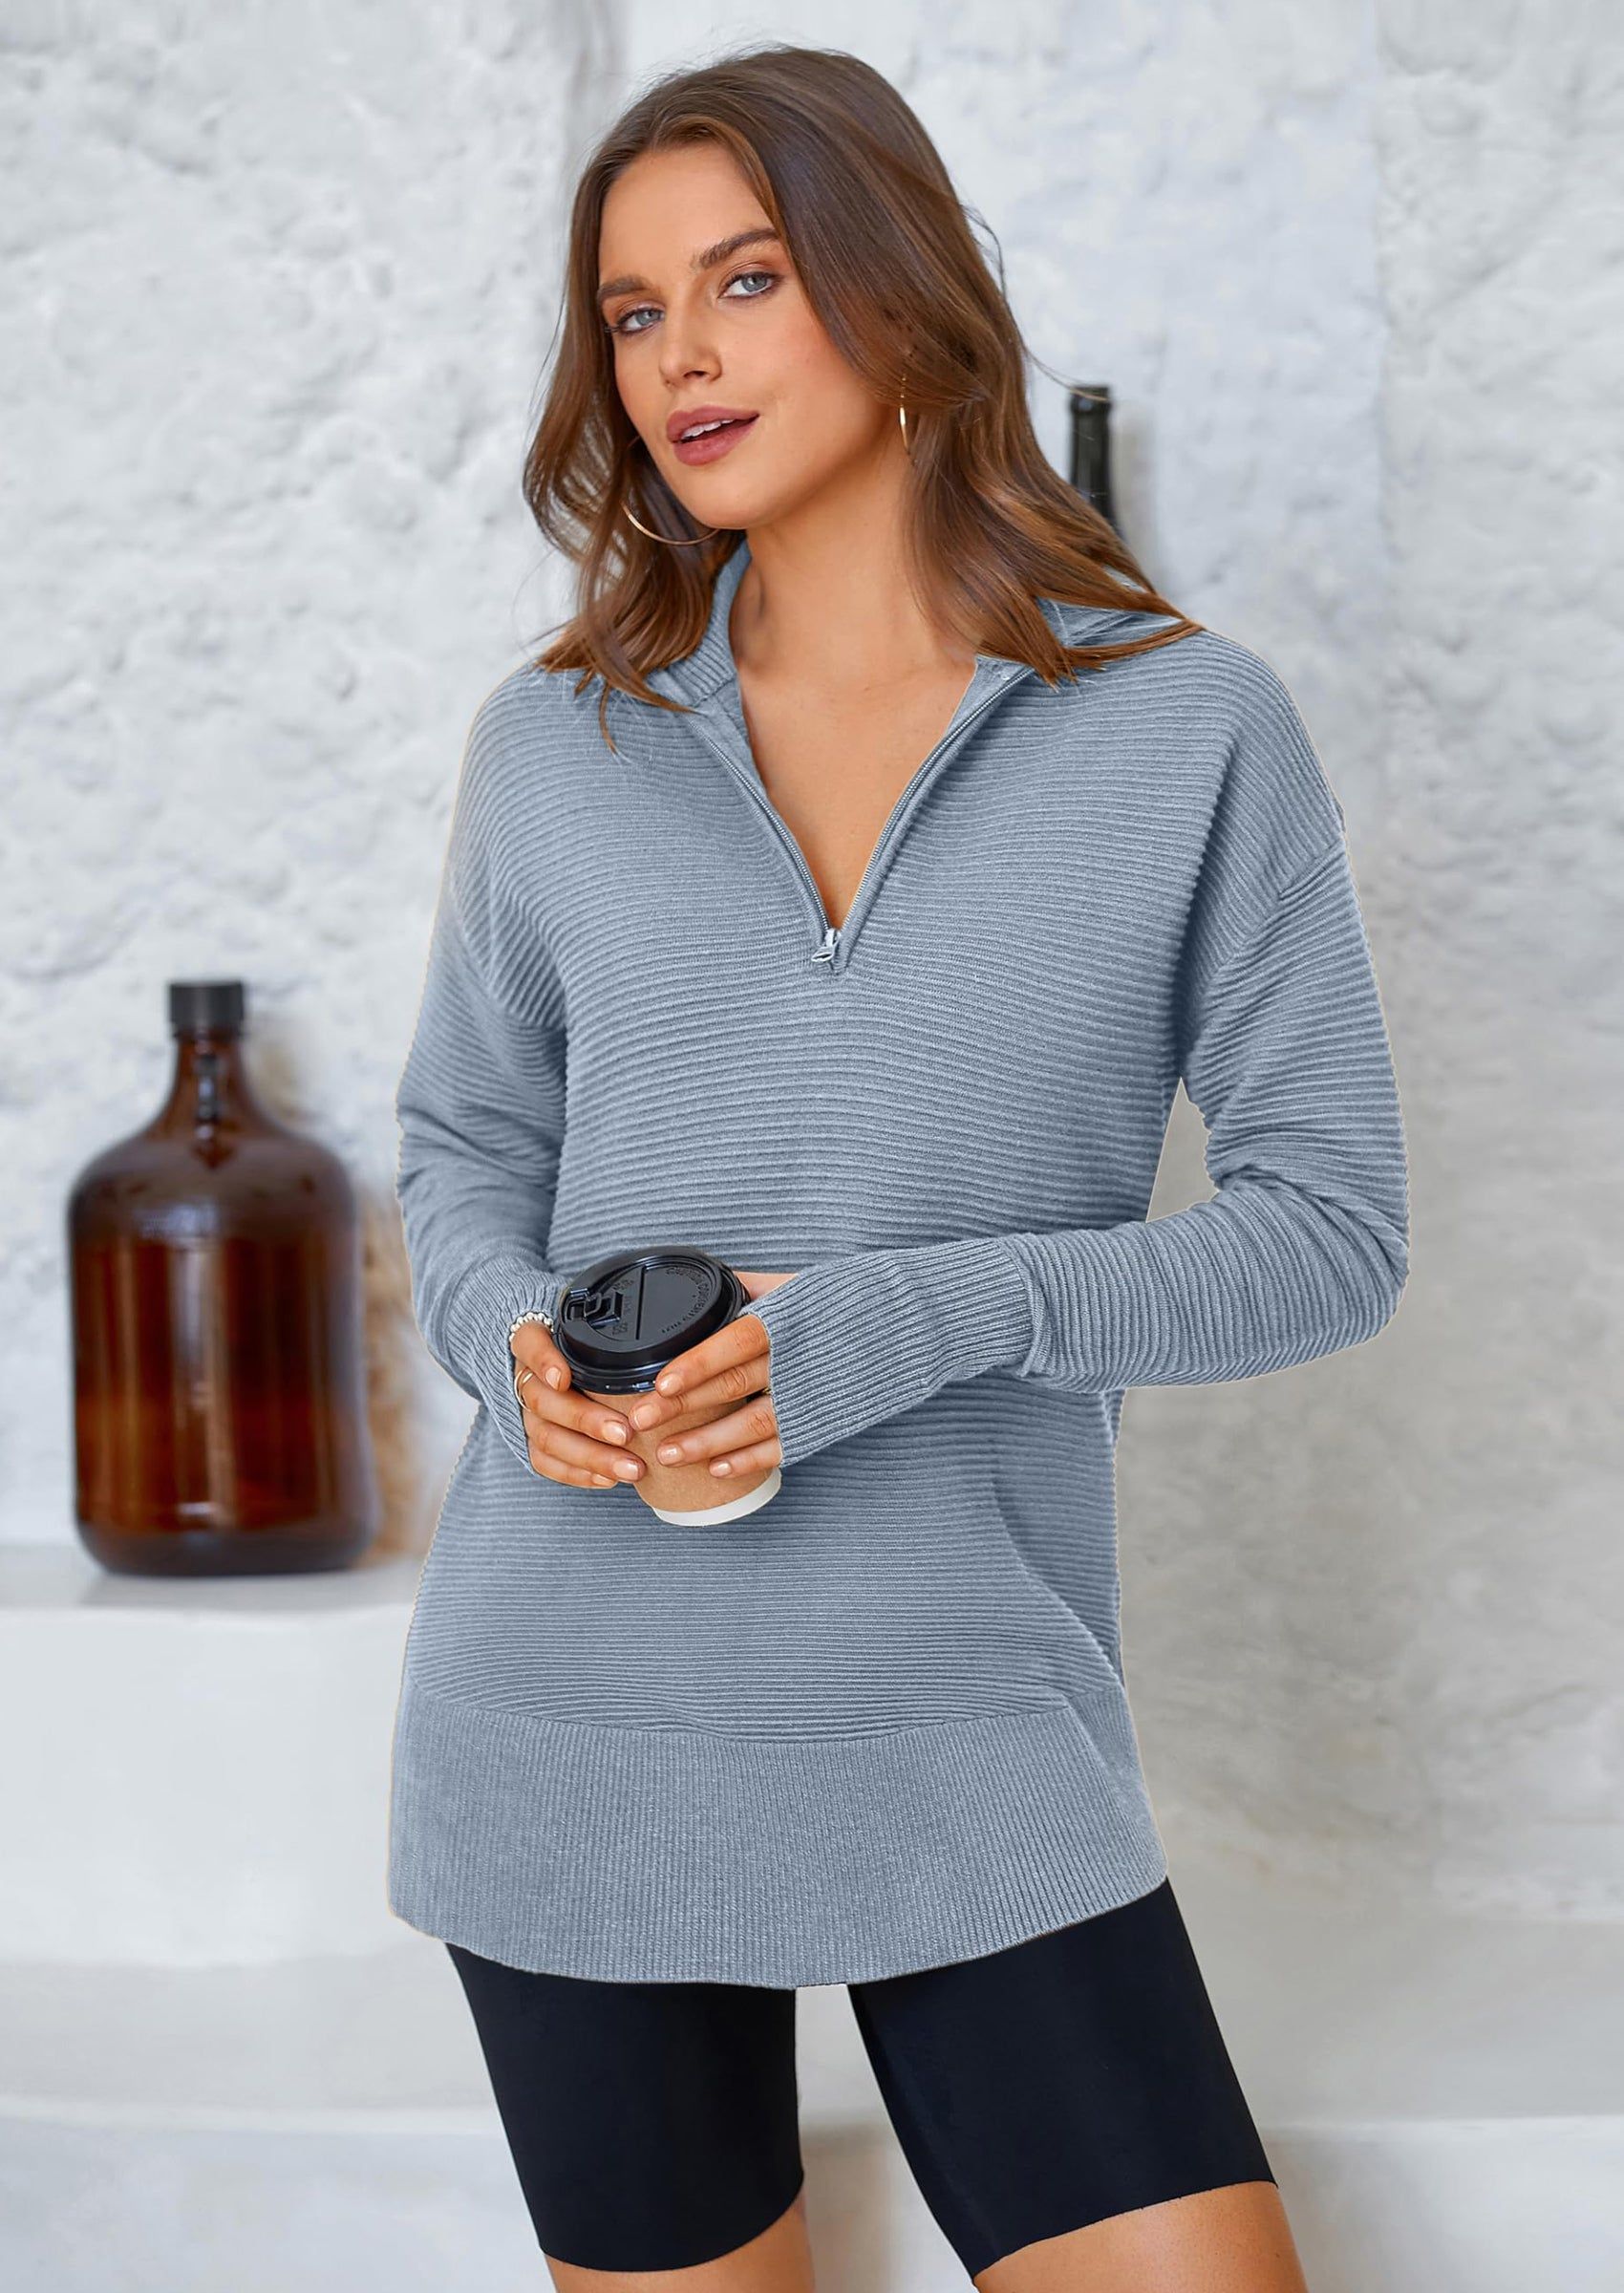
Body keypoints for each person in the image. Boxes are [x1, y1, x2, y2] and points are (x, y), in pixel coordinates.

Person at [386, 41, 1408, 2293]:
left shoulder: (1184, 725)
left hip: (970, 1717)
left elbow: (1331, 1232)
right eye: (634, 310)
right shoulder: (556, 741)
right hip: (569, 1724)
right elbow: (462, 1147)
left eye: (744, 279)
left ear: (899, 285)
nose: (680, 355)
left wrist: (916, 1316)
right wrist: (510, 1342)